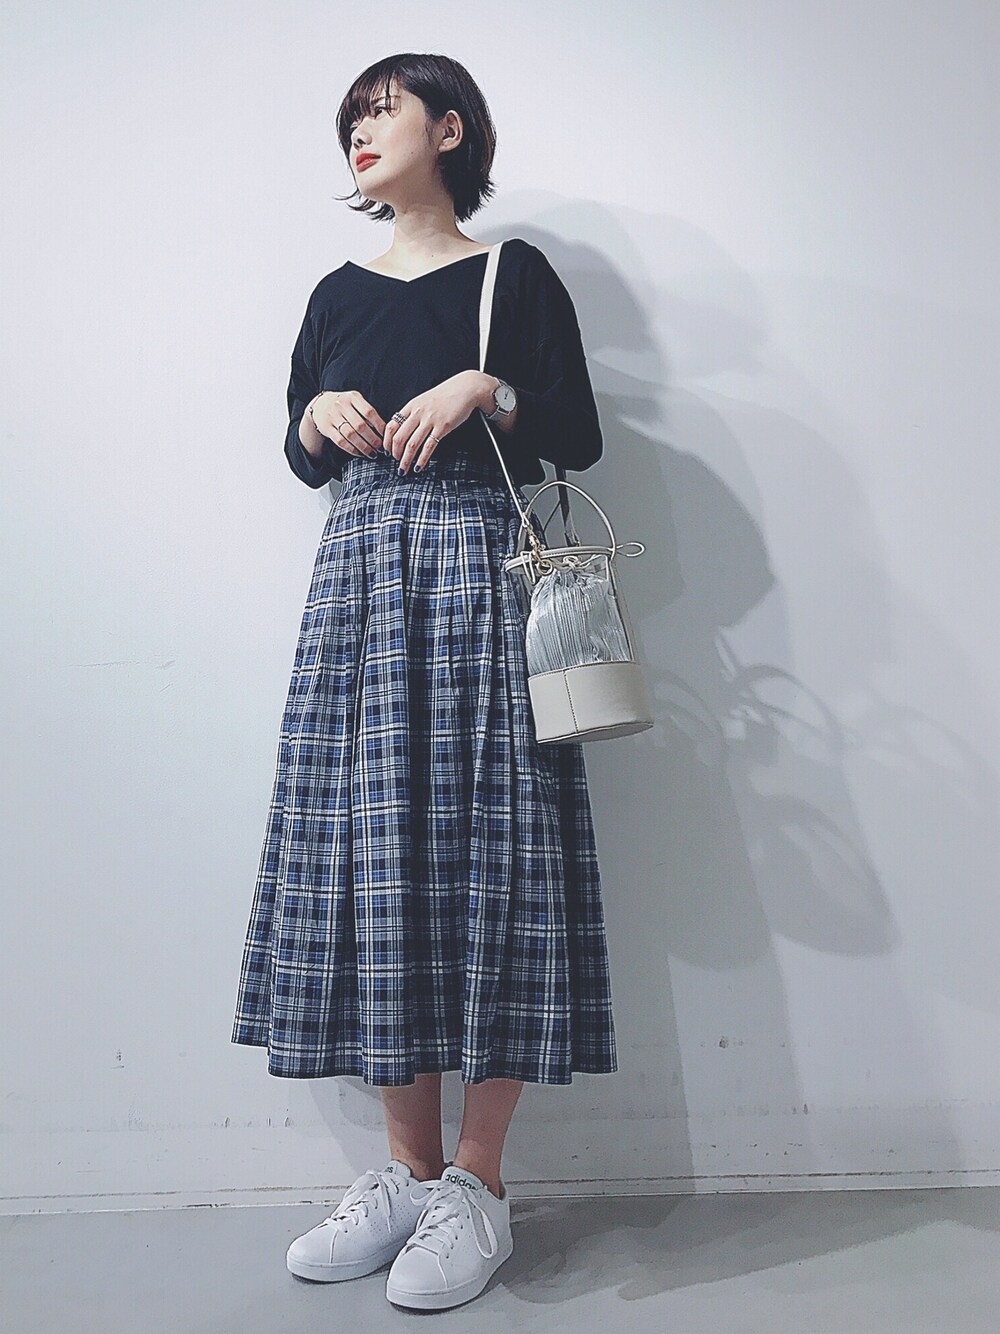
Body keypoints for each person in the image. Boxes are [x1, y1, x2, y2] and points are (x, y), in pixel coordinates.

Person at [230, 51, 618, 1311]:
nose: (360, 130)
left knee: (497, 849)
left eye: (382, 109)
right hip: (359, 582)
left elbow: (575, 432)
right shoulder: (336, 291)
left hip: (479, 572)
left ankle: (477, 1182)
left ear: (449, 130)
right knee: (375, 851)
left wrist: (484, 385)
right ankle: (402, 1173)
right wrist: (319, 416)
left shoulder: (512, 274)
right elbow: (298, 447)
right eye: (350, 117)